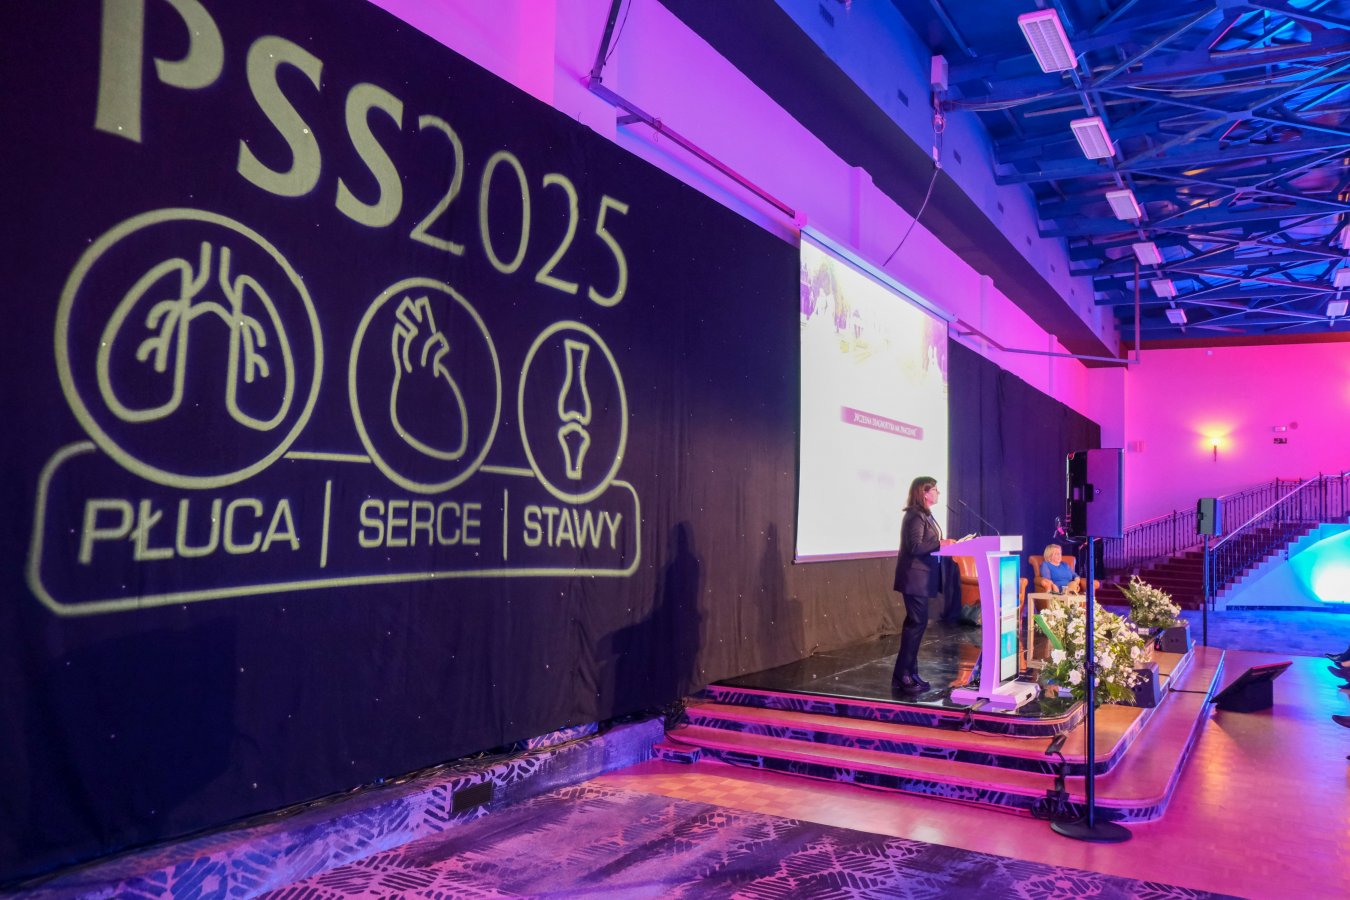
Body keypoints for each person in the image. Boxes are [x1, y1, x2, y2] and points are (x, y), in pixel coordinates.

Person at [892, 476, 954, 694]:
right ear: (924, 493)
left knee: (916, 626)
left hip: (921, 580)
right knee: (915, 626)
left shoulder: (925, 515)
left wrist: (943, 545)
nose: (938, 493)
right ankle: (903, 675)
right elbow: (915, 547)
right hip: (914, 580)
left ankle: (910, 672)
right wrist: (940, 543)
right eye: (934, 489)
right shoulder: (914, 516)